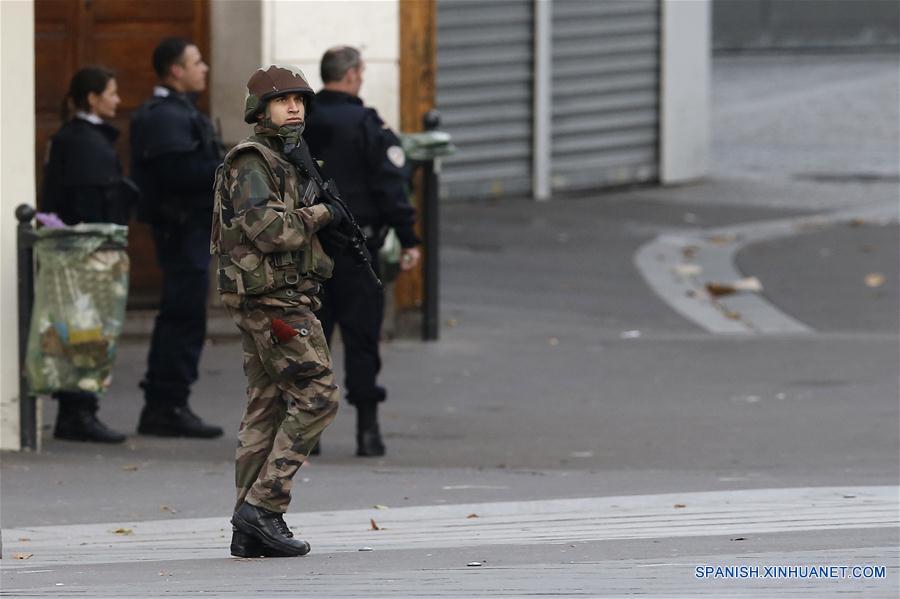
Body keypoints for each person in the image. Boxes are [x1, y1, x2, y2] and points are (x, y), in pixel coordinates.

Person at [214, 65, 348, 557]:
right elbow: (270, 231)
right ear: (260, 109)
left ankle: (248, 530)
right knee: (319, 395)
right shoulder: (252, 160)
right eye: (281, 100)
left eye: (299, 99)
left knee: (266, 406)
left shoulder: (288, 158)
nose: (294, 107)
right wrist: (323, 213)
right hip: (274, 302)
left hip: (280, 296)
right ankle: (264, 507)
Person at [304, 46, 421, 457]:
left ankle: (308, 432)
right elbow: (392, 185)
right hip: (357, 249)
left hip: (307, 249)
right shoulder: (368, 124)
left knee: (310, 338)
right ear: (352, 75)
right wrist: (408, 238)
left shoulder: (302, 120)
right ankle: (367, 432)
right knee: (362, 338)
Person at [130, 38, 223, 438]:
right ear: (175, 71)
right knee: (182, 316)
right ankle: (166, 404)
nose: (204, 68)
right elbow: (178, 174)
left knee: (186, 314)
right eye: (196, 62)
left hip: (192, 228)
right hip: (182, 228)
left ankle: (169, 402)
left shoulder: (179, 112)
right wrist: (227, 168)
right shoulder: (165, 116)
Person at [40, 66, 133, 443]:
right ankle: (78, 411)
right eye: (111, 92)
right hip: (86, 253)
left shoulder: (83, 137)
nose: (117, 99)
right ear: (93, 98)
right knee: (85, 330)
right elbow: (90, 201)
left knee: (86, 329)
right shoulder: (82, 140)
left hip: (82, 250)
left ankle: (79, 409)